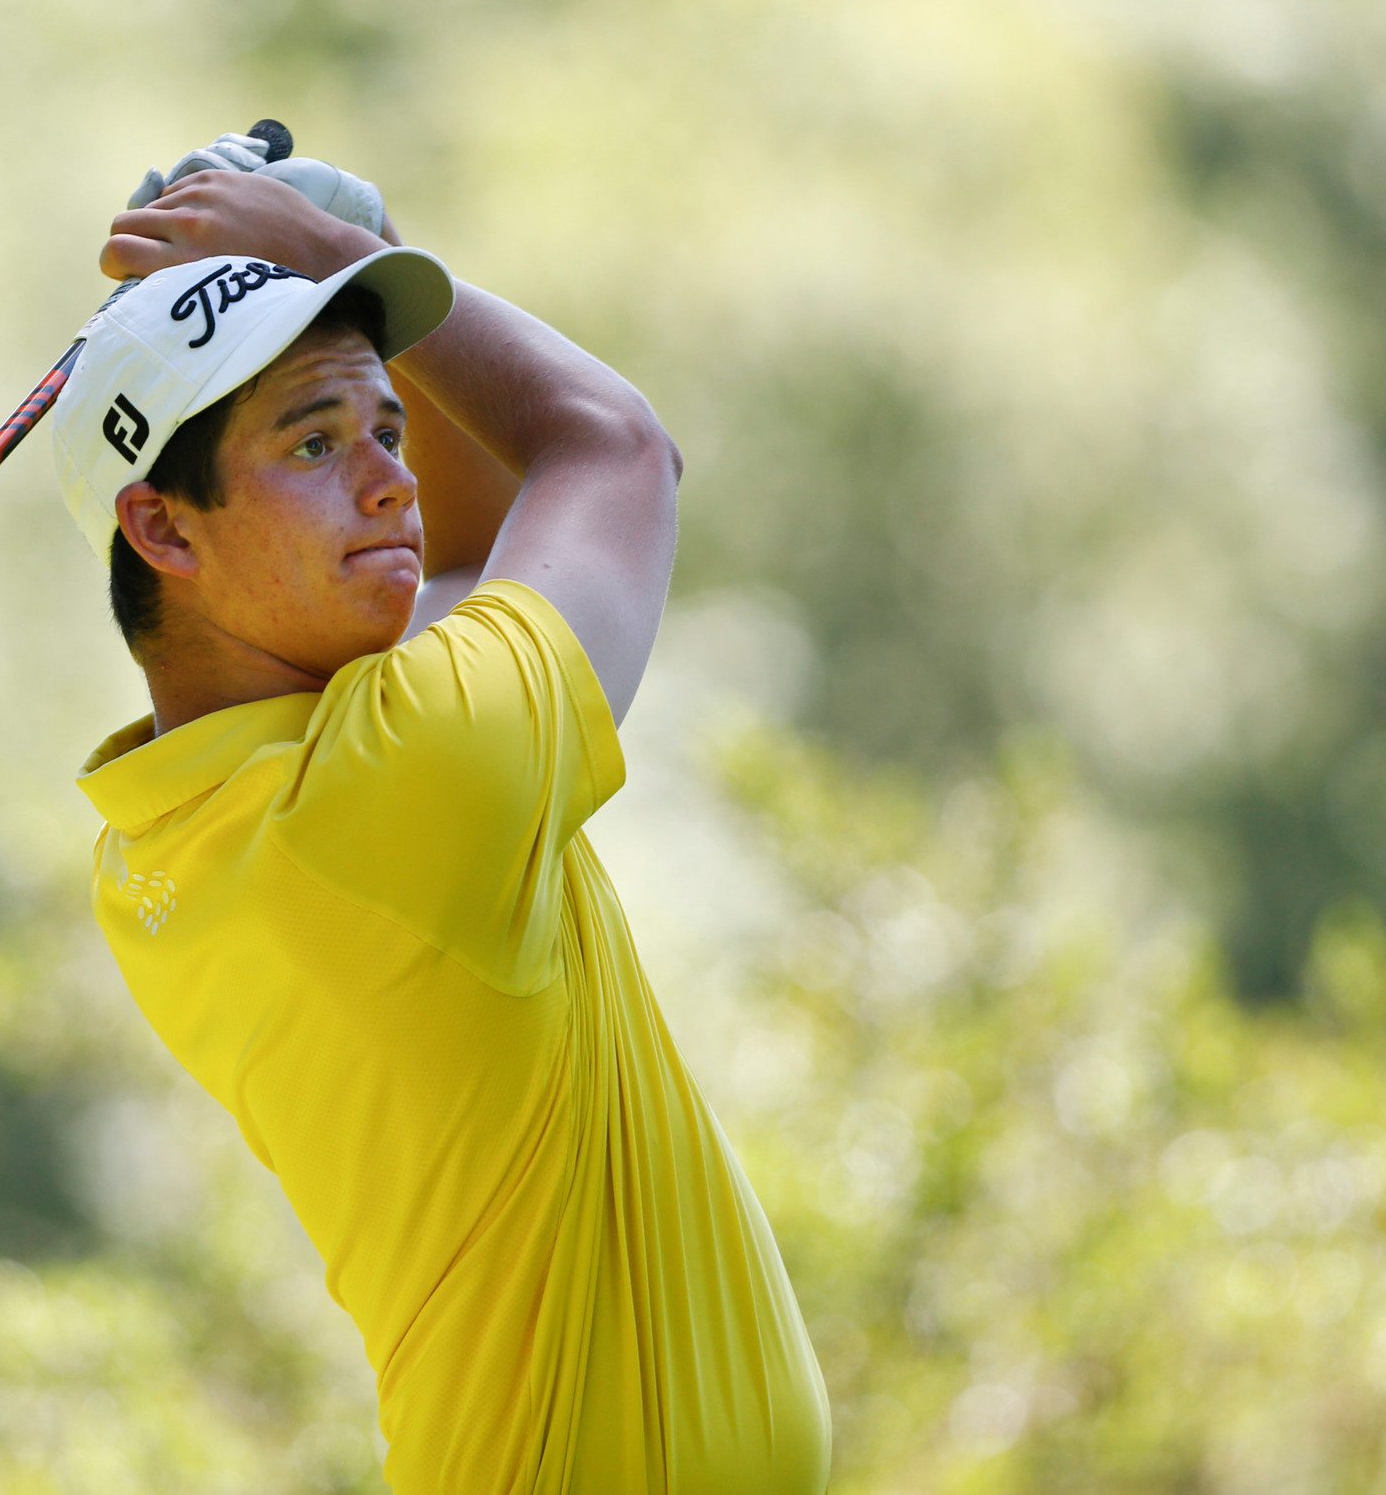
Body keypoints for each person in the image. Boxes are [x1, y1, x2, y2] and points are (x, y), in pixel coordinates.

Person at [50, 135, 831, 1494]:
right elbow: (613, 452)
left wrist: (342, 270)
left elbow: (465, 550)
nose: (390, 482)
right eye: (314, 442)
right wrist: (358, 263)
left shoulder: (170, 831)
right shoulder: (402, 788)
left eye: (386, 430)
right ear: (164, 532)